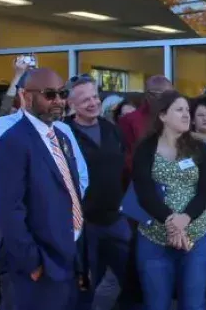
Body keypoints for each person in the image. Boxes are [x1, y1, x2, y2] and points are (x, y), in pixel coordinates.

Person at [0, 68, 90, 310]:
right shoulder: (11, 142)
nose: (58, 101)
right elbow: (9, 210)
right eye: (49, 94)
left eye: (62, 93)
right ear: (26, 97)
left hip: (68, 258)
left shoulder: (62, 137)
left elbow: (70, 194)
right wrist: (32, 262)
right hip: (39, 266)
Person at [131, 91, 206, 310]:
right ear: (162, 116)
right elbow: (144, 193)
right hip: (154, 239)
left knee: (193, 305)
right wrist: (171, 221)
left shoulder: (199, 148)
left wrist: (184, 219)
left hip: (195, 238)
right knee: (156, 305)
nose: (186, 115)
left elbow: (205, 192)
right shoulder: (145, 149)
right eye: (179, 110)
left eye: (187, 110)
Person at [64, 75, 135, 310]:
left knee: (131, 279)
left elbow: (124, 168)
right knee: (84, 286)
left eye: (95, 97)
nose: (93, 103)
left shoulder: (111, 129)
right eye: (85, 100)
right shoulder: (64, 133)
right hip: (83, 224)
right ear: (72, 104)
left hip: (116, 218)